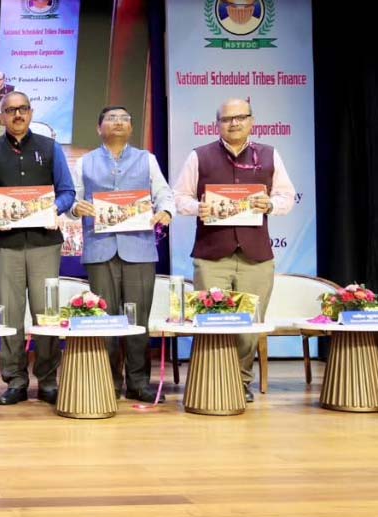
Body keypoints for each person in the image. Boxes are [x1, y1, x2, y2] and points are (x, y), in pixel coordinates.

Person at [172, 97, 296, 402]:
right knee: (210, 322)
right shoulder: (199, 156)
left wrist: (271, 204)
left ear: (252, 120)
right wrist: (198, 207)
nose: (234, 123)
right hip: (212, 255)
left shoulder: (269, 155)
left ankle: (240, 383)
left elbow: (287, 197)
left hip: (256, 256)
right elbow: (179, 197)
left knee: (248, 326)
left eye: (241, 117)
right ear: (217, 124)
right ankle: (210, 382)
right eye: (227, 119)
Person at [0, 91, 75, 406]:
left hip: (44, 242)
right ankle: (15, 381)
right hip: (5, 244)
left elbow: (67, 192)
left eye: (23, 109)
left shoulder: (50, 148)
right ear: (1, 116)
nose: (18, 115)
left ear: (31, 112)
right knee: (11, 314)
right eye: (11, 110)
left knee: (47, 313)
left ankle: (48, 381)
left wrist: (54, 208)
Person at [68, 106, 173, 402]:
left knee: (138, 319)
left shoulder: (147, 159)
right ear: (99, 127)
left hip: (139, 249)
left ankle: (139, 382)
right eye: (111, 118)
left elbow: (164, 193)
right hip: (100, 249)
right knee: (105, 319)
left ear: (131, 128)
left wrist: (165, 210)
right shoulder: (84, 162)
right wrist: (76, 208)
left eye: (124, 119)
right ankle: (109, 381)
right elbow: (71, 199)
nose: (118, 122)